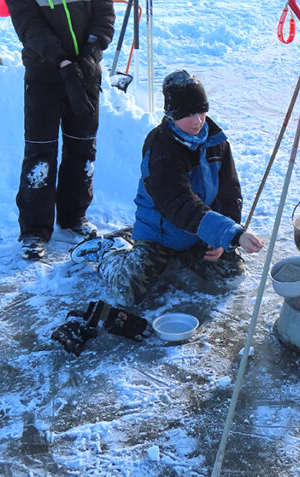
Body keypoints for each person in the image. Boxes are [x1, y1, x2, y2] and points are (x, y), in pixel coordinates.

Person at [75, 70, 264, 304]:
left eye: (201, 111)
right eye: (187, 114)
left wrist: (222, 240)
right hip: (160, 235)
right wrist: (230, 233)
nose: (197, 120)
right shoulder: (160, 148)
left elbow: (230, 193)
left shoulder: (217, 142)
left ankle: (179, 256)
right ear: (172, 114)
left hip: (198, 233)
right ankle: (112, 251)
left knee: (231, 275)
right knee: (128, 292)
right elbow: (181, 205)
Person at [5, 0, 115, 260]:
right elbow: (28, 25)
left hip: (85, 73)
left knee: (83, 147)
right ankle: (35, 230)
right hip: (45, 76)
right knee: (40, 152)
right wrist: (60, 60)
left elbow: (104, 14)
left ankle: (74, 215)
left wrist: (89, 52)